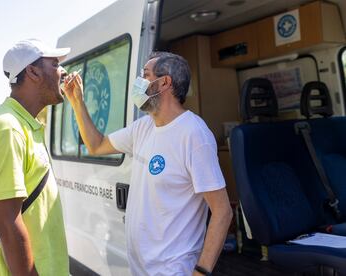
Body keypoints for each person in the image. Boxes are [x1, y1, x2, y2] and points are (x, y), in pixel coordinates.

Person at [63, 51, 233, 275]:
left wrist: (201, 271)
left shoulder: (193, 134)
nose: (139, 84)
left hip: (173, 269)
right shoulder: (143, 127)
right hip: (141, 268)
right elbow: (96, 145)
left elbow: (222, 212)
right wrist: (77, 102)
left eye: (145, 75)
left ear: (164, 83)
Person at [0, 39, 70, 276]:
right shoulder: (8, 128)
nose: (63, 71)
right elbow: (7, 223)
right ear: (33, 72)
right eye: (55, 64)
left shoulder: (25, 124)